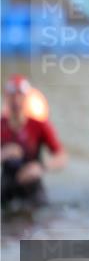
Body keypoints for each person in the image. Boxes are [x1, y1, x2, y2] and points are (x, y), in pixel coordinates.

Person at [1, 75, 67, 209]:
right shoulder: (1, 125)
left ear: (27, 98)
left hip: (33, 188)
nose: (16, 101)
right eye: (12, 96)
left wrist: (41, 167)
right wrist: (3, 154)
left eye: (20, 96)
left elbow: (61, 157)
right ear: (6, 97)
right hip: (7, 187)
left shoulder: (38, 125)